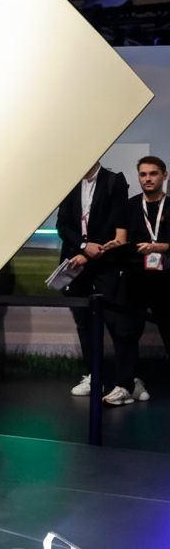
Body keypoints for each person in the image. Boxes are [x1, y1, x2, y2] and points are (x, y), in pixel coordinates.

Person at [56, 161, 130, 398]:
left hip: (105, 261)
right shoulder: (70, 183)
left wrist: (92, 250)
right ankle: (94, 377)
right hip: (75, 260)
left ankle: (124, 382)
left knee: (115, 322)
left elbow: (115, 221)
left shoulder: (113, 180)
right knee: (83, 322)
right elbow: (62, 225)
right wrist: (83, 246)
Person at [105, 156, 170, 405]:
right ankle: (125, 384)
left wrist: (161, 246)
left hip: (166, 279)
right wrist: (114, 246)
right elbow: (121, 240)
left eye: (153, 174)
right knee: (124, 333)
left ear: (164, 176)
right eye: (143, 174)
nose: (148, 179)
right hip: (134, 279)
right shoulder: (128, 207)